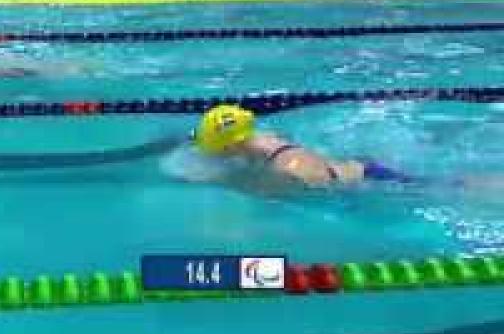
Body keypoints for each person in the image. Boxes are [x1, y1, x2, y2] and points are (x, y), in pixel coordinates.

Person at [191, 105, 502, 190]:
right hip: (359, 168)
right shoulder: (264, 139)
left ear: (232, 147)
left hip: (375, 182)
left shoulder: (288, 169)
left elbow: (277, 193)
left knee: (451, 187)